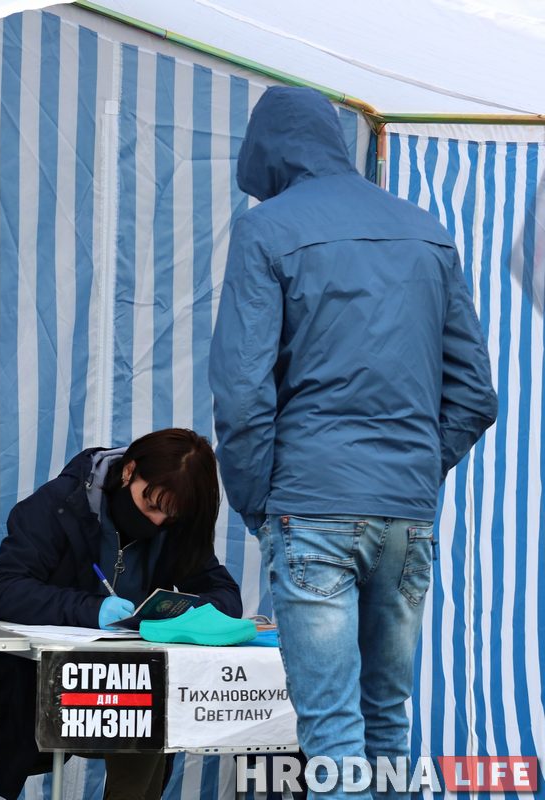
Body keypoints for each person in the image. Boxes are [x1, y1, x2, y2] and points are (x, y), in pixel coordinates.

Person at [209, 86, 498, 799]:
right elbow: (475, 395)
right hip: (406, 512)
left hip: (311, 506)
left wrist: (257, 501)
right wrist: (414, 470)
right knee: (385, 724)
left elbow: (242, 394)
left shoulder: (266, 229)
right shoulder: (426, 230)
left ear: (267, 153)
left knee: (334, 736)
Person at [0, 428, 243, 799]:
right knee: (147, 714)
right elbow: (6, 590)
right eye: (151, 505)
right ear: (129, 471)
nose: (158, 522)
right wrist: (92, 610)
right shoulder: (60, 505)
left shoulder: (174, 526)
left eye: (170, 516)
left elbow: (226, 596)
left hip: (133, 690)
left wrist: (185, 615)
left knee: (149, 710)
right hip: (40, 687)